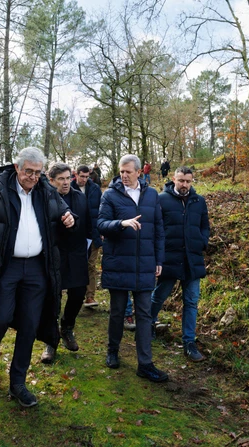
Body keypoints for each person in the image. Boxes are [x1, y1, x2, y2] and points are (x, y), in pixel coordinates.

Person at [0, 147, 76, 407]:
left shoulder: (47, 191)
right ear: (17, 167)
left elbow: (65, 213)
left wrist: (70, 218)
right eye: (29, 172)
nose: (33, 177)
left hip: (37, 268)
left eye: (38, 173)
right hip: (5, 267)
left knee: (29, 324)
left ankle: (18, 382)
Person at [97, 154, 168, 383]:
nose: (124, 175)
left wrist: (159, 259)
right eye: (121, 171)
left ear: (139, 172)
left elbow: (158, 228)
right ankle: (113, 351)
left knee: (145, 315)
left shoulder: (152, 195)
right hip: (119, 263)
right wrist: (121, 224)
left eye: (128, 171)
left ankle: (145, 364)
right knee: (118, 312)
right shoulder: (110, 195)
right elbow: (101, 224)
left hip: (146, 263)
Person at [150, 166, 211, 362]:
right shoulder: (161, 200)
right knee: (159, 295)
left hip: (192, 260)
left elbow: (204, 226)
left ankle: (189, 343)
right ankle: (147, 323)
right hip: (169, 258)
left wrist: (202, 241)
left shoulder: (198, 201)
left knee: (191, 302)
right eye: (181, 180)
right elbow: (155, 228)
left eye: (188, 181)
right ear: (173, 179)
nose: (184, 184)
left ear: (192, 182)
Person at [40, 163, 93, 363]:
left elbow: (87, 225)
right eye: (60, 179)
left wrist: (88, 247)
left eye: (67, 178)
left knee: (78, 294)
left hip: (77, 253)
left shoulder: (80, 197)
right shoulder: (44, 199)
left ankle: (67, 327)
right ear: (51, 180)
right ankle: (50, 340)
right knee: (53, 297)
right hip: (53, 254)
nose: (65, 182)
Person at [73, 164, 103, 308]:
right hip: (75, 234)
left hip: (93, 233)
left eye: (86, 177)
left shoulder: (95, 189)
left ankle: (90, 296)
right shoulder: (69, 188)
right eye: (82, 176)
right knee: (76, 265)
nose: (84, 179)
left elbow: (102, 211)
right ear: (76, 174)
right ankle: (75, 294)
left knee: (91, 265)